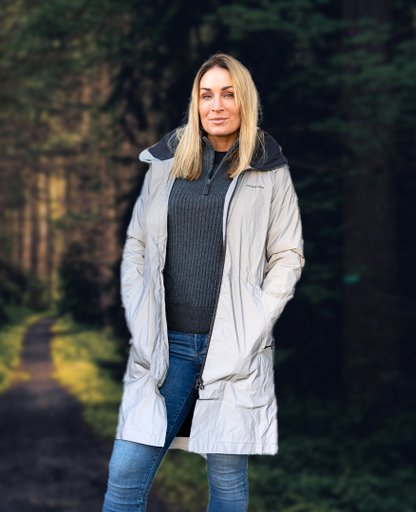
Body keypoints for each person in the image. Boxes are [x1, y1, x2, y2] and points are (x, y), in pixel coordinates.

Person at [102, 52, 304, 512]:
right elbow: (137, 244)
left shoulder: (269, 168)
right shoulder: (165, 164)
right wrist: (140, 308)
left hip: (233, 348)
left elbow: (288, 254)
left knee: (227, 482)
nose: (216, 106)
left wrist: (256, 318)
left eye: (228, 94)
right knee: (126, 476)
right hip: (167, 347)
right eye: (206, 95)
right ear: (195, 103)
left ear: (244, 101)